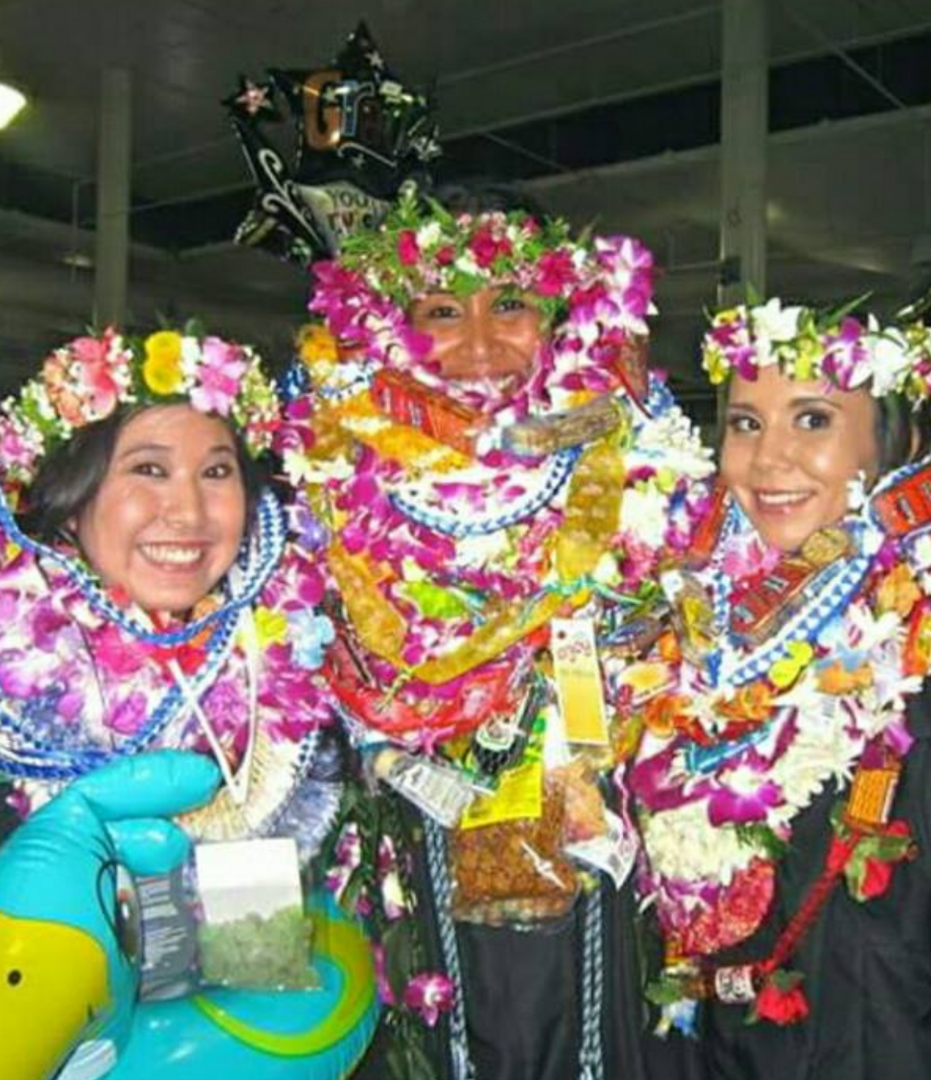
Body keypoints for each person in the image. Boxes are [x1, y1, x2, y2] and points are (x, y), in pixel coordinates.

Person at [277, 184, 714, 1080]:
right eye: (441, 310)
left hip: (593, 835)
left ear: (559, 313)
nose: (479, 345)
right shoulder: (326, 465)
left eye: (510, 304)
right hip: (409, 832)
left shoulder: (636, 445)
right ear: (395, 324)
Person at [0, 326, 377, 1078]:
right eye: (148, 469)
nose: (190, 513)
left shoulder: (267, 677)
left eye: (217, 472)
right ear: (69, 499)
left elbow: (260, 969)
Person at [629, 298, 931, 1079]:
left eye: (813, 421)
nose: (769, 460)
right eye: (745, 424)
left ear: (897, 441)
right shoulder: (691, 623)